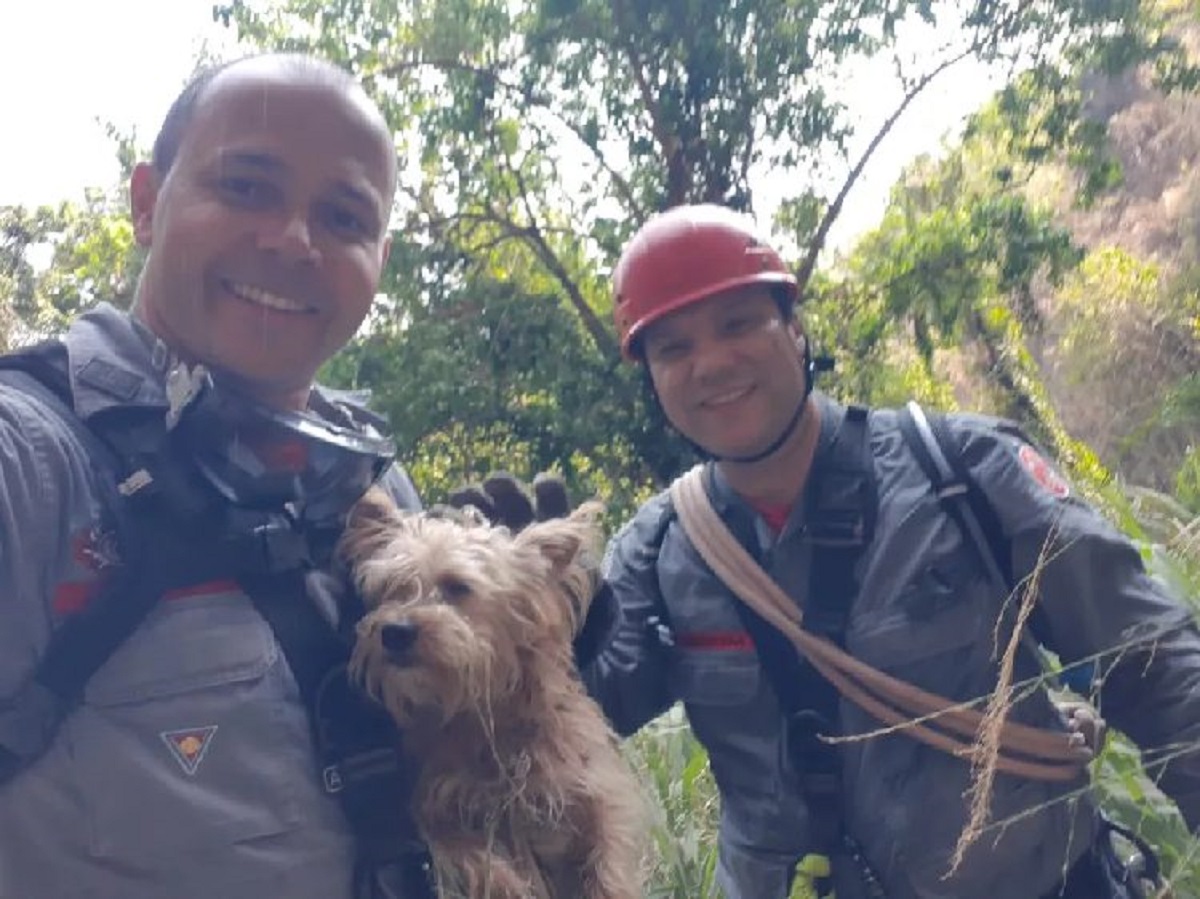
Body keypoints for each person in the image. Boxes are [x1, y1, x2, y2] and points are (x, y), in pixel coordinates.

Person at [578, 203, 1200, 898]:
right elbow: (576, 715)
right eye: (674, 348)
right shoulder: (658, 552)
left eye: (738, 323)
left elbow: (1155, 664)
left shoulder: (961, 473)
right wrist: (513, 588)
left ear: (795, 325)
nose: (712, 363)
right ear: (653, 378)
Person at [0, 54, 428, 899]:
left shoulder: (369, 480)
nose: (293, 239)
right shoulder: (32, 462)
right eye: (247, 187)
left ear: (378, 256)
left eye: (343, 216)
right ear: (147, 201)